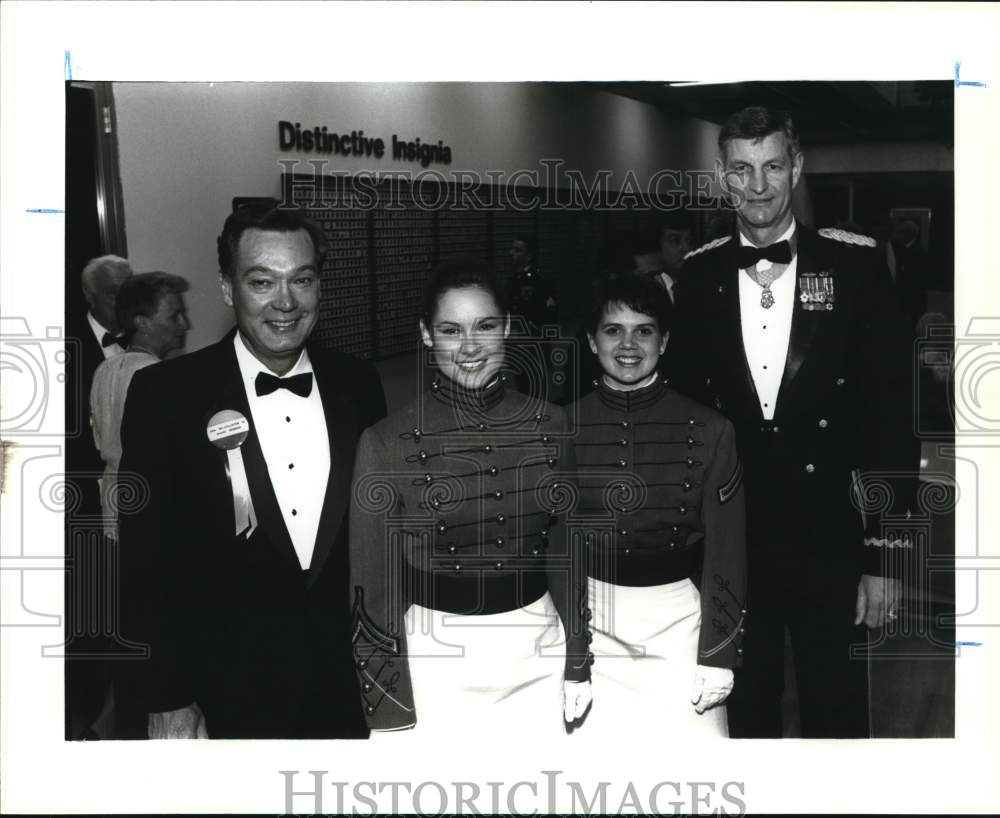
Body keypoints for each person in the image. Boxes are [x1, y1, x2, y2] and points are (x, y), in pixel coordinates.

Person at [666, 106, 917, 738]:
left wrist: (887, 557)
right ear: (722, 176)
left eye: (772, 166)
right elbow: (682, 425)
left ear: (796, 168)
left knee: (837, 716)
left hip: (831, 538)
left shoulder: (856, 268)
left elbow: (891, 419)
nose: (758, 186)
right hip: (733, 544)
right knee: (745, 715)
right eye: (742, 169)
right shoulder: (697, 278)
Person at [116, 204, 386, 739]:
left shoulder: (358, 385)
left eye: (302, 279)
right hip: (225, 694)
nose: (285, 301)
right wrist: (167, 695)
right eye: (262, 281)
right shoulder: (165, 397)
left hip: (348, 689)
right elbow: (142, 564)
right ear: (226, 287)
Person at [349, 258, 592, 736]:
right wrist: (387, 706)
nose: (470, 347)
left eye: (484, 326)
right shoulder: (385, 441)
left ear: (506, 329)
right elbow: (372, 588)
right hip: (435, 662)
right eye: (450, 330)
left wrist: (578, 658)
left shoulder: (553, 423)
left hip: (537, 651)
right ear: (426, 335)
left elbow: (570, 550)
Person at [571, 273, 746, 738]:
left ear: (664, 341)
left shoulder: (711, 429)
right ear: (592, 340)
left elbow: (727, 552)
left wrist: (718, 654)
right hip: (591, 623)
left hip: (681, 627)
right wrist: (572, 654)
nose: (628, 344)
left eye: (644, 330)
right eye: (613, 330)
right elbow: (555, 548)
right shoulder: (561, 426)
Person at [64, 254, 133, 740]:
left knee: (131, 608)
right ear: (91, 297)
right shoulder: (63, 346)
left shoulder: (144, 339)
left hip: (135, 504)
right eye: (115, 294)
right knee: (90, 615)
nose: (126, 303)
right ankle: (83, 719)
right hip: (84, 507)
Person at [90, 272, 190, 542]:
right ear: (142, 322)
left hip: (112, 510)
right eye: (174, 316)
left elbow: (101, 443)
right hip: (153, 508)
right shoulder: (161, 376)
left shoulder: (104, 369)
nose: (184, 324)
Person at [505, 234, 560, 400]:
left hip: (533, 340)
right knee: (521, 384)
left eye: (517, 250)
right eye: (512, 249)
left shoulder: (539, 280)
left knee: (535, 387)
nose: (511, 253)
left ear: (529, 255)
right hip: (517, 340)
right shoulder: (513, 279)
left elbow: (549, 313)